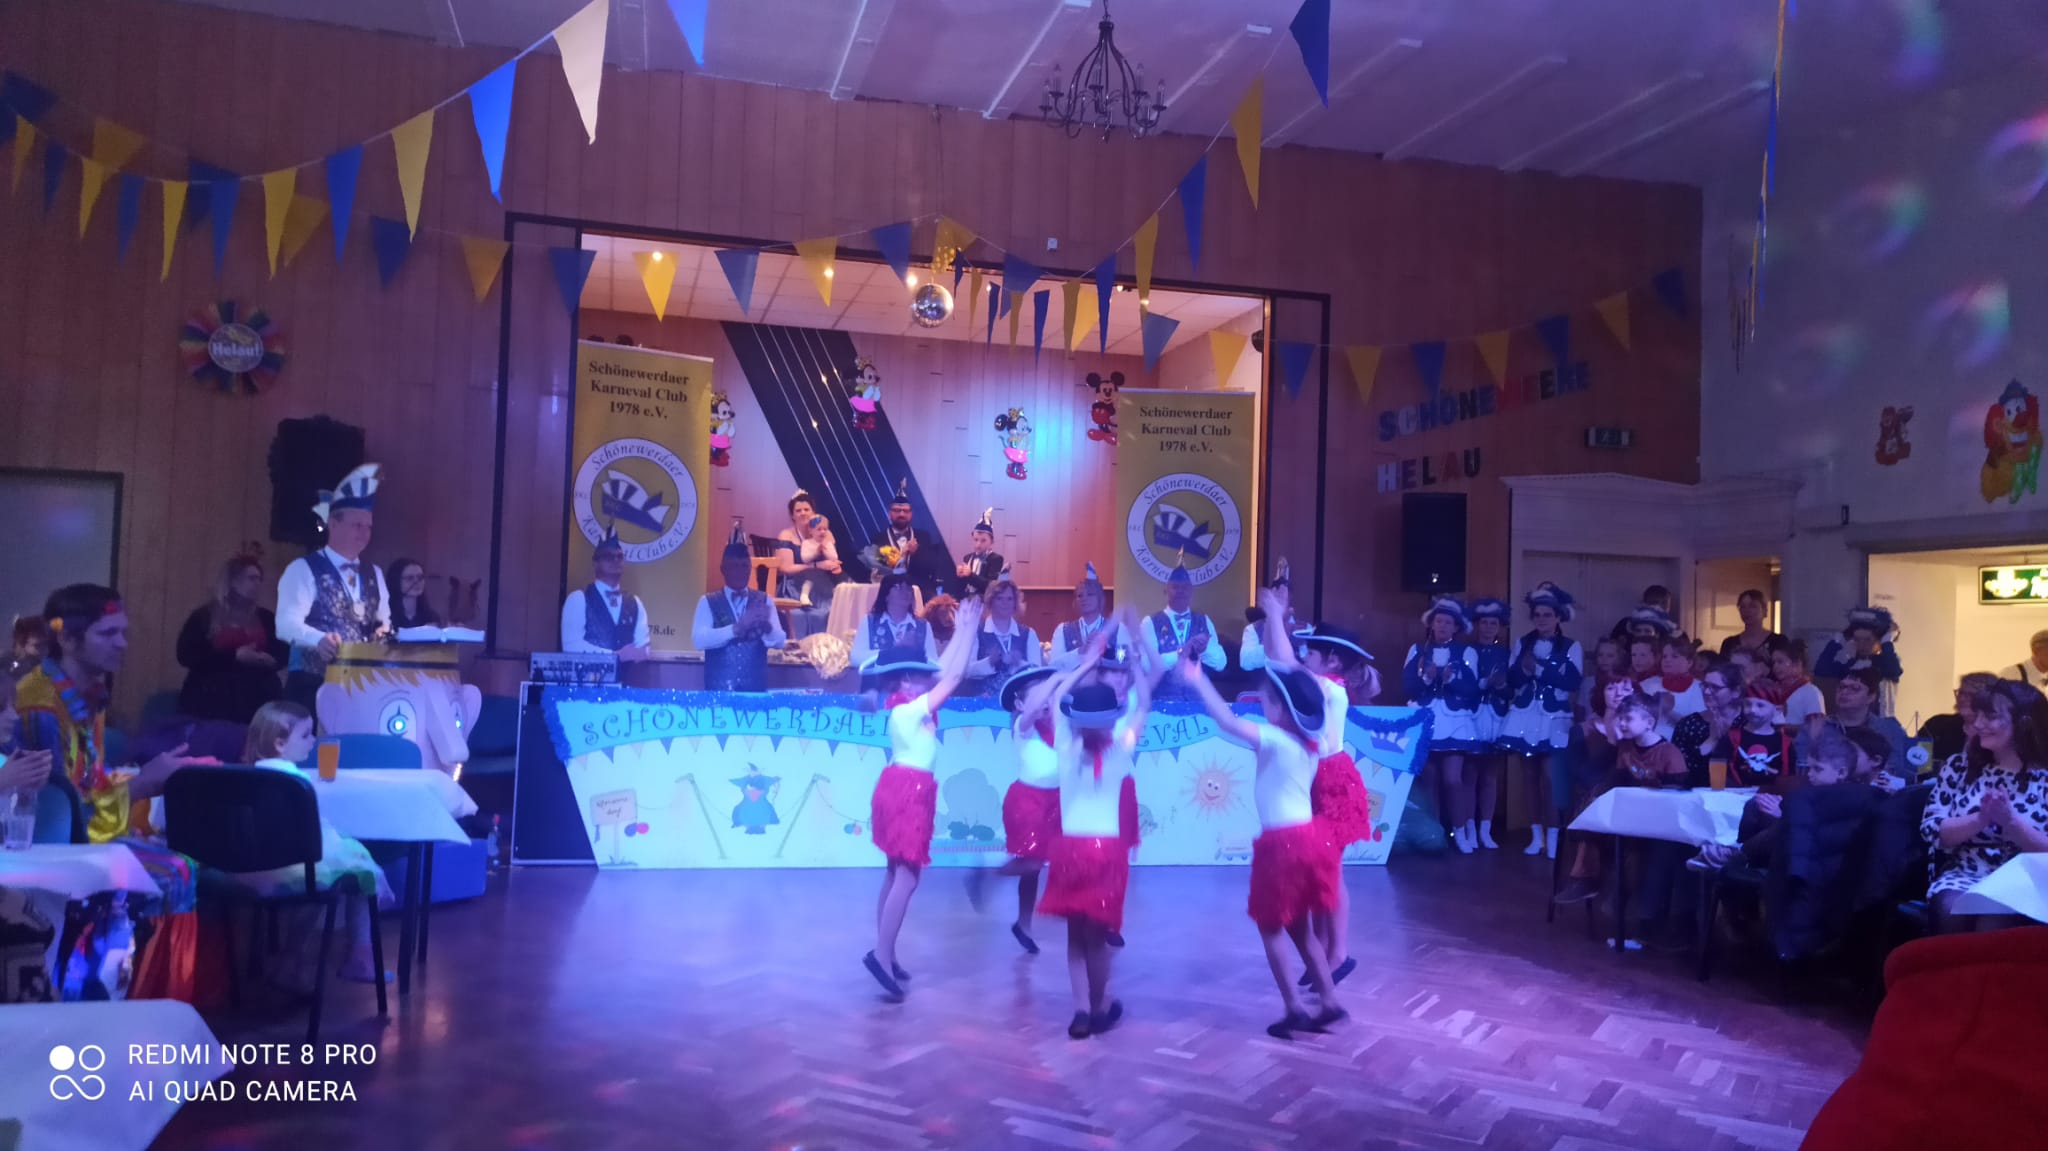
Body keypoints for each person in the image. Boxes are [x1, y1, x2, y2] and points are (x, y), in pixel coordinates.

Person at [15, 584, 205, 998]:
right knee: (174, 871)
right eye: (108, 633)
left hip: (84, 833)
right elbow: (61, 816)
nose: (122, 644)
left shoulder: (86, 693)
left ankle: (147, 999)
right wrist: (141, 784)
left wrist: (147, 780)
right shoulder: (41, 705)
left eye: (123, 632)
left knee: (181, 857)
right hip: (51, 851)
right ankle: (137, 1003)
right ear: (67, 639)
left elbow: (88, 782)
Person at [1181, 656, 1346, 1039]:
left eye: (1266, 701)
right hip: (1308, 841)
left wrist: (1198, 678)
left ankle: (1293, 1007)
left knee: (1270, 927)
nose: (1262, 706)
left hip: (1282, 846)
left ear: (1282, 709)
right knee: (1300, 929)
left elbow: (1227, 721)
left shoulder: (1274, 739)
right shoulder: (1310, 744)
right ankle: (1329, 1001)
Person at [860, 597, 983, 1000]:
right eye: (918, 677)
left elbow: (944, 671)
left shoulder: (907, 706)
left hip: (902, 787)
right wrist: (968, 630)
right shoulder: (909, 711)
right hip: (907, 793)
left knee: (895, 874)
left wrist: (963, 631)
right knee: (907, 878)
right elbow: (954, 676)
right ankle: (881, 955)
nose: (926, 681)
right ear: (902, 682)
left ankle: (887, 951)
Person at [226, 702, 392, 990]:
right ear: (279, 744)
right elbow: (313, 835)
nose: (313, 741)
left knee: (320, 878)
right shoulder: (296, 782)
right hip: (292, 863)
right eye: (305, 735)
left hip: (243, 866)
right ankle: (357, 956)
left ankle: (291, 959)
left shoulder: (241, 777)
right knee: (358, 869)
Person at [1035, 657, 1153, 1039]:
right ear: (1112, 719)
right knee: (1098, 939)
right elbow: (1144, 704)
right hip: (1107, 853)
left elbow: (1057, 699)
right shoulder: (1122, 748)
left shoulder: (1065, 745)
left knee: (1075, 936)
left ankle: (1081, 1010)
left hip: (1070, 852)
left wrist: (1084, 664)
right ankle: (1100, 1006)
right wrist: (1135, 661)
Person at [1281, 609, 1376, 986]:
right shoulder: (1324, 685)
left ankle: (1339, 953)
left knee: (1330, 870)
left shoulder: (1330, 689)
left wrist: (1275, 617)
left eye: (1311, 652)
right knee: (1319, 870)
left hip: (1332, 782)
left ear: (1333, 660)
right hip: (1315, 779)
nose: (1305, 657)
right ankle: (1322, 949)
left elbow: (1286, 664)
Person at [1920, 679, 2048, 934]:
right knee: (1951, 909)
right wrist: (1980, 818)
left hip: (2028, 877)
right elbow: (1933, 830)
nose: (1978, 724)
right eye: (1977, 715)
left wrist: (2011, 822)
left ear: (2023, 723)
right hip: (1967, 871)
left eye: (1990, 717)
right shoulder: (1960, 766)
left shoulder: (2043, 776)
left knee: (1994, 916)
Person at [277, 463, 391, 711]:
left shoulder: (375, 574)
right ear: (333, 524)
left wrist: (383, 632)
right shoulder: (303, 569)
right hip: (312, 686)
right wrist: (318, 640)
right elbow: (284, 624)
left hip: (360, 687)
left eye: (369, 526)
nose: (365, 533)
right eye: (357, 525)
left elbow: (384, 621)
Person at [968, 664, 1062, 954]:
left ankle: (1024, 924)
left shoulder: (1056, 725)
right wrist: (1055, 680)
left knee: (1034, 869)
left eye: (1048, 696)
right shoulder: (1024, 725)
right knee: (1031, 863)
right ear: (1020, 705)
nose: (1045, 701)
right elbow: (1033, 711)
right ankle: (987, 874)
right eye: (1038, 696)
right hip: (1028, 802)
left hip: (1054, 802)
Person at [1498, 583, 1584, 859]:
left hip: (1554, 718)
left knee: (1551, 778)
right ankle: (1537, 837)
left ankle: (1554, 836)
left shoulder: (1571, 646)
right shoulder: (1523, 642)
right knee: (1529, 777)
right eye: (1537, 615)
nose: (1542, 619)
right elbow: (1512, 679)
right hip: (1526, 715)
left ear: (1558, 617)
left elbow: (1573, 681)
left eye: (1547, 615)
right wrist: (1524, 671)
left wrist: (1539, 669)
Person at [1404, 597, 1485, 853]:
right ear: (1431, 624)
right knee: (1429, 780)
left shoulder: (1466, 652)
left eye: (1448, 622)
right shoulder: (1417, 650)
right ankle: (1435, 834)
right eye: (1439, 621)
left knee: (1452, 780)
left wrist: (1451, 681)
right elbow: (1407, 686)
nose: (1442, 626)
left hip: (1454, 721)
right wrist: (1426, 678)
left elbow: (1472, 689)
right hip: (1426, 719)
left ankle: (1460, 833)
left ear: (1456, 627)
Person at [174, 553, 285, 724]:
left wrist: (270, 660)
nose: (257, 584)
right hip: (211, 702)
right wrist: (234, 656)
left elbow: (283, 651)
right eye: (251, 578)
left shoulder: (266, 618)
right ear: (233, 581)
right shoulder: (205, 616)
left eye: (259, 579)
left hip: (257, 702)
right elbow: (186, 654)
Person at [692, 523, 786, 693]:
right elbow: (699, 640)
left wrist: (767, 628)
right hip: (718, 692)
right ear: (723, 569)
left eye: (744, 566)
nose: (740, 571)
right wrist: (736, 629)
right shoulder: (707, 602)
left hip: (755, 692)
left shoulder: (764, 600)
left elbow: (780, 641)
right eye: (734, 566)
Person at [1139, 555, 1226, 699]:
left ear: (1191, 592)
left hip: (1199, 702)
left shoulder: (1204, 621)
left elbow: (1220, 663)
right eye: (1175, 587)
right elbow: (1147, 665)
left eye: (1185, 588)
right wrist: (1180, 654)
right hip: (1161, 704)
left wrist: (1204, 651)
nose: (1180, 591)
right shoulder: (1149, 623)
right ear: (1165, 591)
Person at [561, 526, 653, 659]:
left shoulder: (635, 603)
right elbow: (571, 647)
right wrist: (613, 655)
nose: (615, 560)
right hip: (587, 673)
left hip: (627, 673)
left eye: (619, 556)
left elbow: (644, 647)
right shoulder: (578, 600)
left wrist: (642, 652)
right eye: (608, 556)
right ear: (595, 563)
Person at [1466, 598, 1512, 850]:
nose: (1488, 627)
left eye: (1493, 623)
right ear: (1477, 625)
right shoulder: (1467, 651)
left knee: (1490, 776)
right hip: (1472, 716)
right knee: (1470, 775)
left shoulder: (1505, 654)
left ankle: (1486, 829)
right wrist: (1483, 684)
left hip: (1495, 717)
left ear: (1499, 626)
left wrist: (1501, 685)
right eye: (1484, 622)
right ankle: (1469, 829)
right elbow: (1462, 686)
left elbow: (1511, 690)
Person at [776, 489, 840, 639]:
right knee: (799, 614)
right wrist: (816, 566)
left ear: (813, 512)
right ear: (792, 515)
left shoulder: (825, 533)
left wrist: (834, 565)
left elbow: (833, 558)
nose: (803, 513)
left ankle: (824, 647)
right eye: (798, 511)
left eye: (806, 509)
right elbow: (785, 568)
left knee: (831, 610)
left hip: (822, 585)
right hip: (794, 586)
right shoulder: (787, 535)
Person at [866, 478, 945, 598]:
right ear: (890, 513)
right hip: (889, 595)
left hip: (919, 594)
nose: (901, 514)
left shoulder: (923, 537)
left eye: (905, 511)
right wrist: (903, 554)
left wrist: (915, 554)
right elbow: (877, 571)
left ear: (911, 514)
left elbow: (930, 568)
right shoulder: (879, 539)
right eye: (897, 510)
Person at [1829, 669, 1910, 784]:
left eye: (1855, 688)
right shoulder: (1820, 727)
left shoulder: (1890, 729)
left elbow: (1904, 771)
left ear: (1871, 697)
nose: (1845, 692)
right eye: (1842, 687)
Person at [963, 576, 1042, 695]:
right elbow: (965, 671)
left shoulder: (1029, 634)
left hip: (1018, 701)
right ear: (991, 601)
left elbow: (1037, 673)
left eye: (1010, 599)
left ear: (1015, 603)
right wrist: (988, 662)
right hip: (982, 701)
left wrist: (1020, 664)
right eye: (1000, 598)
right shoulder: (976, 632)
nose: (1005, 603)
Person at [1672, 660, 1742, 788]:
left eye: (1715, 687)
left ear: (1735, 691)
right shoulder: (1688, 724)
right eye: (1705, 685)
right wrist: (1711, 740)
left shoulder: (1747, 724)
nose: (1707, 692)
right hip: (1698, 794)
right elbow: (1679, 773)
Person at [851, 574, 938, 673]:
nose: (905, 592)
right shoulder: (869, 622)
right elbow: (855, 658)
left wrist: (913, 655)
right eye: (898, 587)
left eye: (908, 588)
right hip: (878, 680)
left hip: (911, 680)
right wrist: (891, 653)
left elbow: (933, 662)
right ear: (886, 594)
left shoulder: (922, 626)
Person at [1050, 562, 1128, 671]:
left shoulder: (1118, 629)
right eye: (1080, 595)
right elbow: (1053, 666)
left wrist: (1104, 656)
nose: (1084, 598)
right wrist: (1081, 651)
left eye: (1090, 594)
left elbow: (1123, 661)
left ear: (1100, 598)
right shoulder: (1063, 630)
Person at [1814, 606, 1904, 700]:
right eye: (1857, 639)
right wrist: (1838, 640)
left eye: (1867, 640)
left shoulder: (1885, 665)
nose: (1861, 645)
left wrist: (1886, 643)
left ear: (1879, 641)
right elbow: (1821, 669)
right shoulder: (1850, 665)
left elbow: (1893, 671)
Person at [1918, 672, 2003, 765]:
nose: (1962, 698)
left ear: (1989, 698)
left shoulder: (1997, 732)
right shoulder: (1936, 725)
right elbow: (1915, 763)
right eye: (1961, 693)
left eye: (1971, 694)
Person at [1760, 635, 1828, 736]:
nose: (1775, 667)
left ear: (1797, 664)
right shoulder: (1773, 690)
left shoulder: (1811, 692)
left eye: (1780, 662)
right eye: (1773, 663)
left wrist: (1783, 728)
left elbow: (1816, 729)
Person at [1239, 559, 1298, 672]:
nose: (1280, 604)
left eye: (1284, 599)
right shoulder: (1252, 629)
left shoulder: (1303, 630)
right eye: (1277, 599)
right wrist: (1276, 638)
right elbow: (1245, 662)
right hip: (1266, 681)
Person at [1639, 637, 1704, 741]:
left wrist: (1669, 712)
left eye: (1674, 656)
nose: (1667, 660)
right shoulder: (1648, 684)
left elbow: (1698, 729)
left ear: (1689, 663)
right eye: (1664, 656)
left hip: (1680, 744)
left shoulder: (1699, 688)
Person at [953, 507, 1006, 597]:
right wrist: (959, 576)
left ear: (991, 543)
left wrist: (970, 575)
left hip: (984, 602)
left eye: (983, 540)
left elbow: (990, 586)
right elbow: (963, 587)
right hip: (967, 601)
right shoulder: (967, 558)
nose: (978, 544)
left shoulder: (996, 559)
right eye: (976, 539)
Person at [384, 558, 442, 630]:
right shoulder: (385, 617)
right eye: (409, 578)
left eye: (420, 577)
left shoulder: (432, 618)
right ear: (395, 581)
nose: (416, 582)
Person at [1717, 588, 1777, 657]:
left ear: (1764, 611)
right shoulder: (1729, 643)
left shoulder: (1777, 641)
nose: (1747, 610)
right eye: (1743, 607)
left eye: (1753, 606)